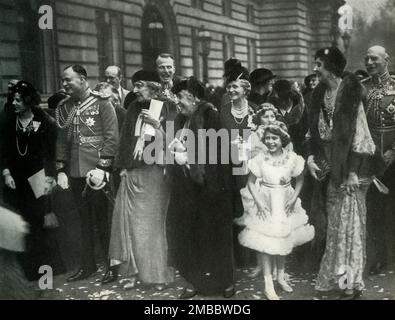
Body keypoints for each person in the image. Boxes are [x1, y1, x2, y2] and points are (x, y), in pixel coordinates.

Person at [307, 47, 376, 299]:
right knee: (335, 229)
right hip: (329, 171)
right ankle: (335, 280)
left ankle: (349, 284)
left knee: (348, 229)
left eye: (319, 64)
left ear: (331, 67)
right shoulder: (318, 95)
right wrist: (311, 158)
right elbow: (312, 136)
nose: (315, 68)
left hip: (351, 171)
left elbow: (362, 138)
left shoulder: (351, 93)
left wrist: (353, 173)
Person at [108, 70, 177, 291]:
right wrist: (123, 169)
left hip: (157, 174)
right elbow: (126, 140)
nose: (135, 90)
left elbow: (177, 145)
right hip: (133, 173)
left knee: (154, 226)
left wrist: (158, 126)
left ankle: (158, 275)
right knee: (129, 225)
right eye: (134, 86)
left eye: (139, 85)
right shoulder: (133, 108)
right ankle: (132, 272)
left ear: (154, 86)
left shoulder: (167, 107)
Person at [167, 77, 234, 299]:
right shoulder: (179, 119)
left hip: (211, 188)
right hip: (187, 189)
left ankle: (224, 282)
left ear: (195, 98)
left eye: (181, 97)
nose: (177, 101)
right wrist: (176, 153)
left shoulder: (209, 115)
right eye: (176, 97)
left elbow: (218, 155)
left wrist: (185, 157)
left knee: (215, 235)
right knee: (191, 236)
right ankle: (195, 281)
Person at [56, 65, 119, 284]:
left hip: (97, 172)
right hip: (75, 171)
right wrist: (61, 169)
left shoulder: (102, 102)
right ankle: (88, 266)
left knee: (103, 220)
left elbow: (112, 138)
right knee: (82, 221)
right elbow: (62, 140)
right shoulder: (65, 107)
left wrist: (103, 168)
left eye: (68, 80)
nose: (64, 84)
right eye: (63, 80)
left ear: (82, 79)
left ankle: (112, 266)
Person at [238, 122, 314, 300]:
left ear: (283, 139)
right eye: (268, 138)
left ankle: (280, 277)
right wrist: (259, 202)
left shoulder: (292, 158)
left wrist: (294, 197)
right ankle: (268, 284)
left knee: (283, 239)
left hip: (285, 202)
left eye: (275, 138)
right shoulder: (260, 159)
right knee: (266, 243)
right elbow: (250, 182)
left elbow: (300, 179)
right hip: (266, 202)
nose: (271, 142)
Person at [0, 80, 65, 282]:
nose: (15, 104)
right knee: (22, 223)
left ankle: (46, 272)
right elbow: (2, 151)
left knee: (39, 223)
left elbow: (50, 154)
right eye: (13, 100)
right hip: (15, 180)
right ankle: (27, 271)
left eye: (19, 100)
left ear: (28, 101)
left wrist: (50, 177)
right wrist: (6, 173)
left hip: (38, 177)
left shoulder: (44, 122)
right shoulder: (8, 122)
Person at [219, 65, 257, 268]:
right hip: (228, 166)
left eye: (235, 87)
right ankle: (238, 258)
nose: (231, 90)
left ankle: (253, 258)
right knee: (234, 207)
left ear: (245, 88)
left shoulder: (256, 109)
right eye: (229, 87)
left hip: (251, 167)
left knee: (251, 206)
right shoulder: (223, 111)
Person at [363, 45, 395, 274]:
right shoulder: (362, 89)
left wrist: (394, 149)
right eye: (367, 59)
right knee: (375, 209)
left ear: (386, 59)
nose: (370, 62)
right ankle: (379, 257)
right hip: (371, 157)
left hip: (394, 154)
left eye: (374, 58)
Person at [268, 79, 308, 155]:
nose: (274, 96)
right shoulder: (270, 109)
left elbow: (306, 129)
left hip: (300, 152)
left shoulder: (301, 108)